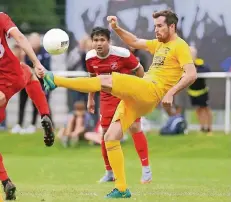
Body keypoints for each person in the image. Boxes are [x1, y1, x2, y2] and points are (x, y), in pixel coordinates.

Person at [43, 10, 197, 198]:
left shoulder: (180, 46)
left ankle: (55, 80)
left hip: (151, 90)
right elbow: (133, 41)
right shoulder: (159, 44)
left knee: (106, 80)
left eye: (160, 26)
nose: (155, 29)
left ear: (172, 26)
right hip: (141, 98)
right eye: (155, 26)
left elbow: (191, 74)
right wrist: (116, 28)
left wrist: (172, 92)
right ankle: (122, 188)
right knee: (110, 137)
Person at [86, 27, 152, 184]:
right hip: (106, 98)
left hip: (126, 96)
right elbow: (92, 78)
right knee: (105, 134)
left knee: (135, 128)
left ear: (109, 41)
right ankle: (109, 172)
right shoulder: (90, 57)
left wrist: (143, 91)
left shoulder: (122, 54)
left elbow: (139, 69)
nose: (99, 43)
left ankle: (146, 170)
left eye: (102, 40)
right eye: (96, 40)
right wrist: (91, 98)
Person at [0, 12, 55, 200]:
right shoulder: (1, 17)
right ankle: (45, 115)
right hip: (15, 73)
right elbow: (21, 38)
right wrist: (37, 62)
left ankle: (5, 180)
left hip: (2, 85)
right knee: (29, 73)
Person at [188, 46, 212, 134]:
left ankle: (209, 128)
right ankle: (202, 128)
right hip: (192, 92)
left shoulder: (200, 63)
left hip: (202, 92)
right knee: (198, 110)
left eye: (192, 54)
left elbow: (207, 70)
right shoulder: (185, 63)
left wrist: (197, 69)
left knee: (206, 109)